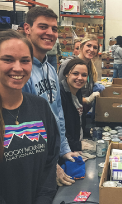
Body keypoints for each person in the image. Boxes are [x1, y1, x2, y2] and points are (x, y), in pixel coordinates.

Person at [0, 30, 60, 204]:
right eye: (8, 59)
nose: (18, 68)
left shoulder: (40, 106)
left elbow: (50, 161)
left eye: (25, 60)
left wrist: (43, 198)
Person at [22, 6, 78, 187]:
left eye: (54, 29)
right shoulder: (21, 73)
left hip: (51, 153)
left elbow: (58, 113)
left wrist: (64, 150)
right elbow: (24, 127)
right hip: (31, 160)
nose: (50, 33)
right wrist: (49, 165)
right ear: (27, 29)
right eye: (43, 27)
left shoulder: (51, 69)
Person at [58, 34, 100, 106]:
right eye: (88, 45)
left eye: (95, 47)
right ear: (81, 46)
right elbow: (60, 91)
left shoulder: (89, 65)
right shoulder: (68, 64)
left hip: (82, 109)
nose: (92, 49)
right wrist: (87, 99)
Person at [60, 58, 92, 151]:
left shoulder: (77, 91)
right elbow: (59, 129)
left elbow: (76, 123)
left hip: (77, 142)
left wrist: (87, 131)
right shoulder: (60, 95)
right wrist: (76, 145)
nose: (80, 78)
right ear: (66, 74)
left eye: (84, 75)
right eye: (75, 73)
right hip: (68, 150)